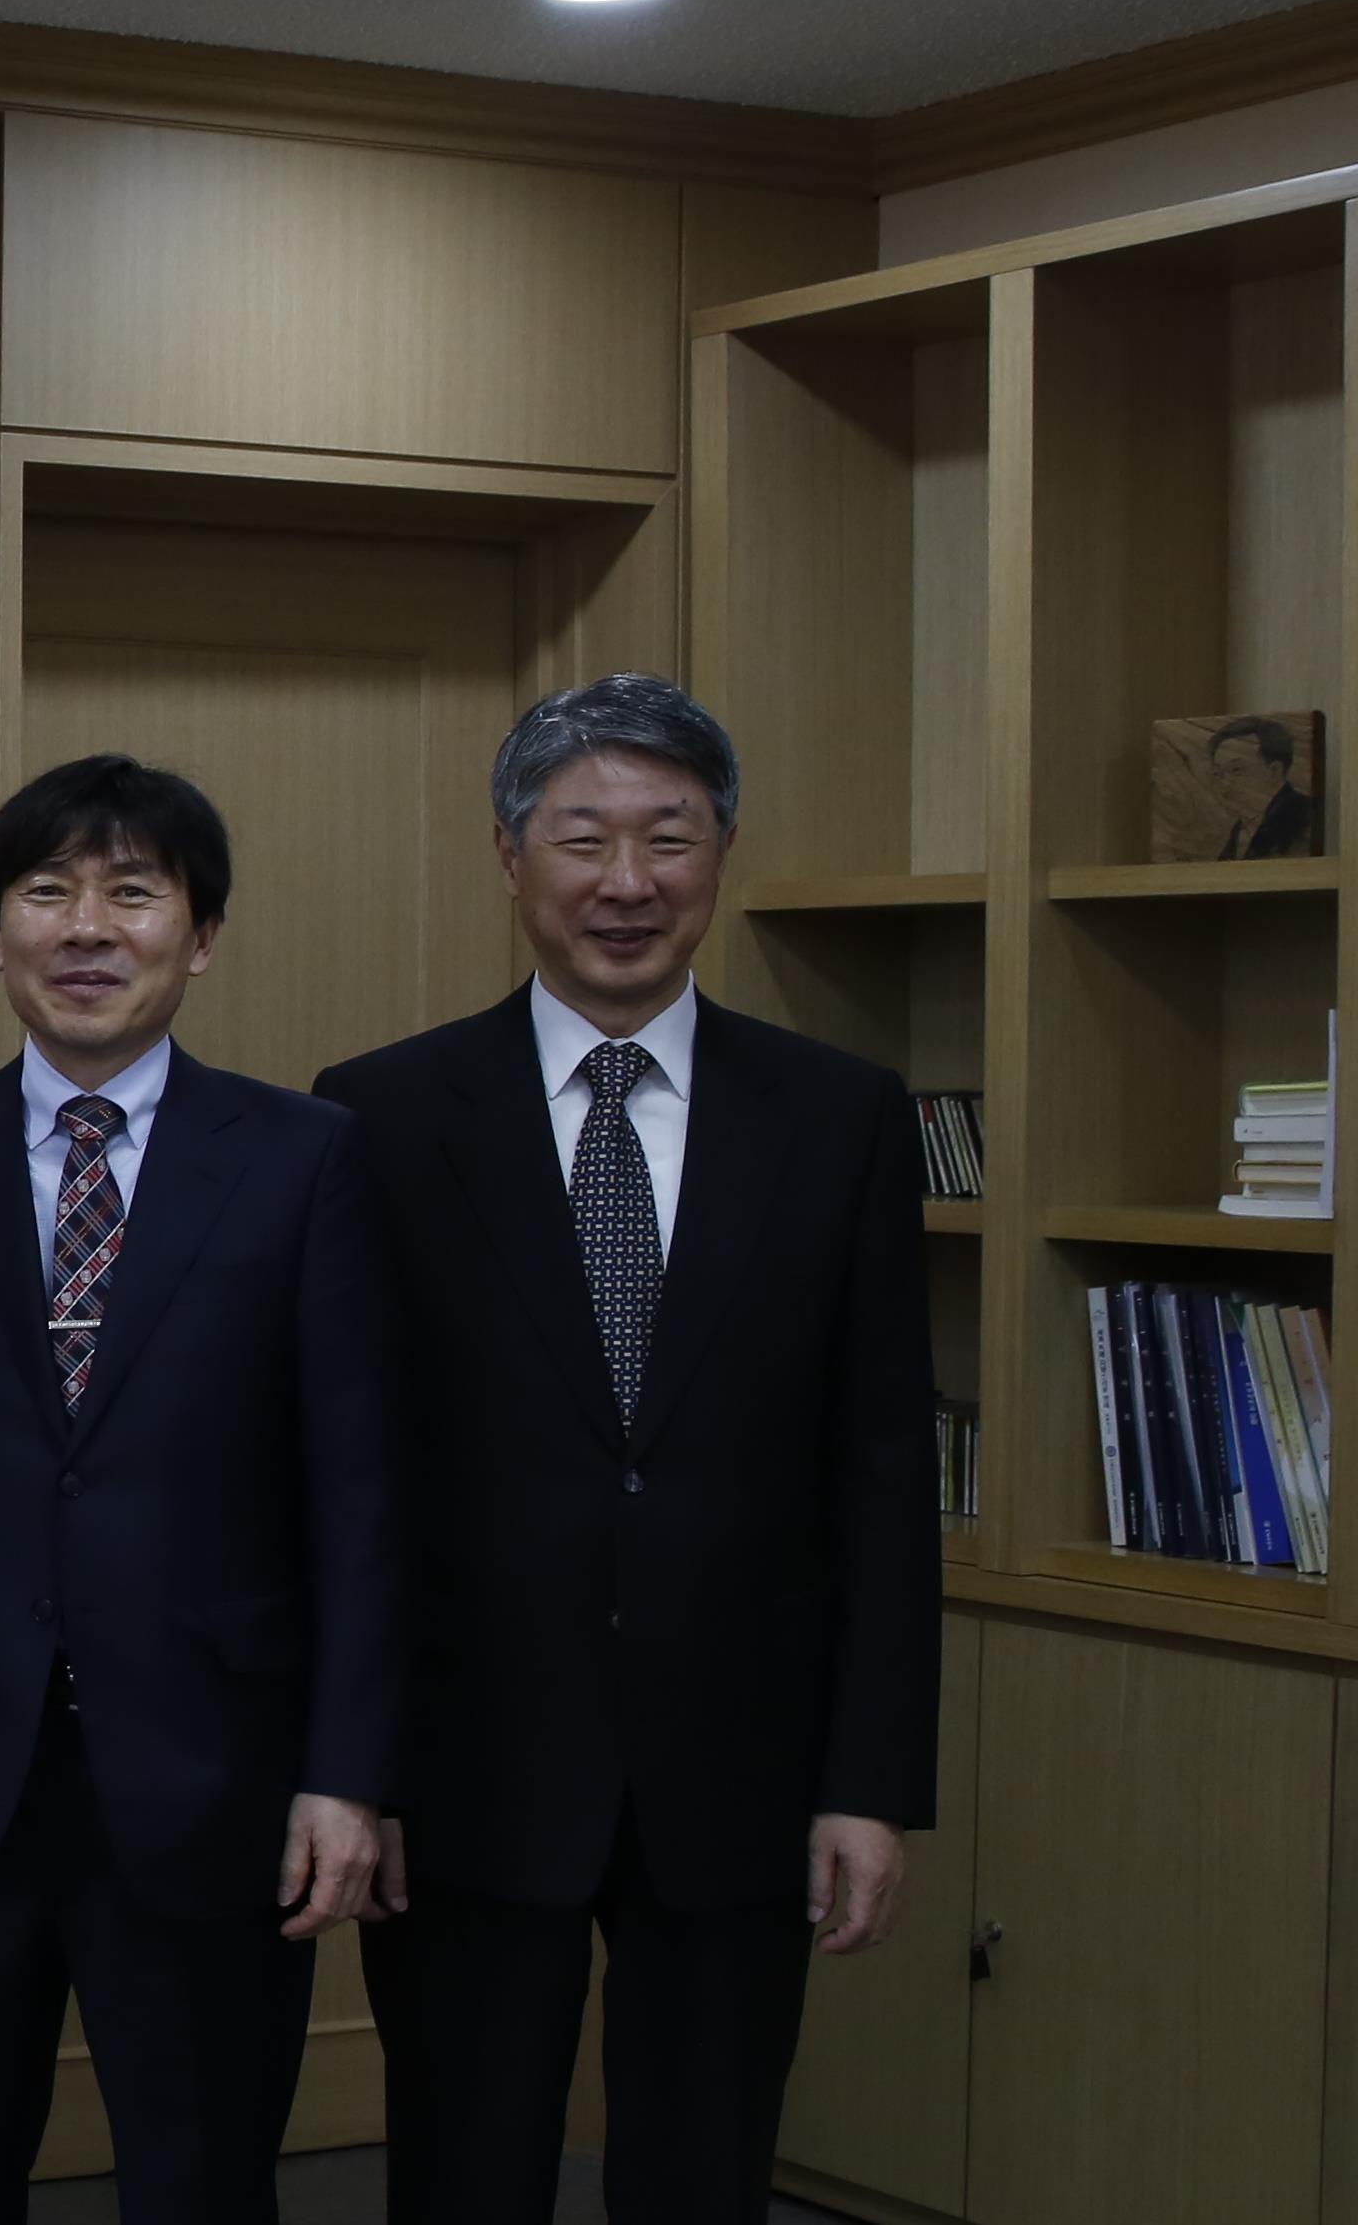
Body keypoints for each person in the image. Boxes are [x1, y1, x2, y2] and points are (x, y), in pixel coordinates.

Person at [316, 675, 935, 2225]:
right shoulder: (378, 1117)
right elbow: (352, 1480)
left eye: (671, 837)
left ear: (723, 854)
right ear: (511, 856)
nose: (627, 881)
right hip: (467, 1770)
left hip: (739, 1766)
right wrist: (355, 1766)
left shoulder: (841, 1116)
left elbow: (878, 1474)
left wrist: (872, 1781)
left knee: (705, 2178)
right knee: (461, 2173)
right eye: (582, 836)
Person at [0, 757, 399, 2225]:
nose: (89, 925)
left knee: (202, 2179)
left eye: (134, 892)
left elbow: (360, 1489)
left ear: (199, 935)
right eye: (47, 890)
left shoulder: (306, 1158)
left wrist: (347, 1770)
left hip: (219, 1776)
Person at [1213, 716, 1318, 860]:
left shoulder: (1302, 818)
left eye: (1236, 770)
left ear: (1275, 771)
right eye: (1217, 774)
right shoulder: (1240, 831)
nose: (1224, 784)